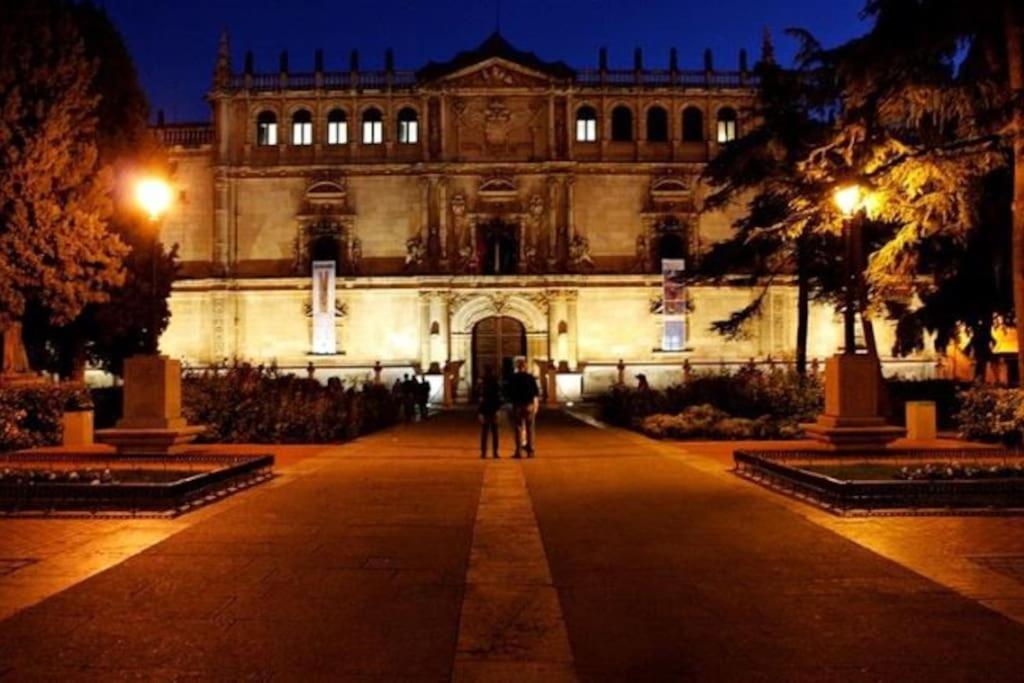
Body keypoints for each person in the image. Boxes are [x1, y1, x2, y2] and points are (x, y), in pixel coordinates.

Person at [506, 358, 540, 458]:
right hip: (529, 405)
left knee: (518, 428)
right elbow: (535, 393)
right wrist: (536, 405)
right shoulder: (530, 377)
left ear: (517, 366)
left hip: (517, 405)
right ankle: (531, 451)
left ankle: (518, 451)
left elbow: (509, 393)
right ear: (525, 366)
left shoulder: (513, 378)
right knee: (530, 428)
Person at [477, 368, 502, 459]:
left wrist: (479, 412)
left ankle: (484, 452)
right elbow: (498, 398)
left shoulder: (482, 384)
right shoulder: (495, 384)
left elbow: (480, 399)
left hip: (485, 410)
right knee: (495, 433)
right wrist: (498, 410)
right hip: (494, 409)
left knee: (484, 433)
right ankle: (495, 452)